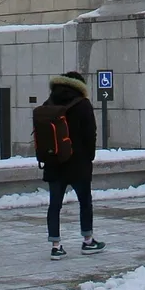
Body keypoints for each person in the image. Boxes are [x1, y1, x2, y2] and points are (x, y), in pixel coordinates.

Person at [39, 72, 105, 259]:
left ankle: (55, 245)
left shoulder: (49, 104)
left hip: (54, 162)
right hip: (78, 164)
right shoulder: (83, 105)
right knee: (85, 203)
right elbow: (90, 134)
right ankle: (88, 241)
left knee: (54, 205)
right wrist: (89, 157)